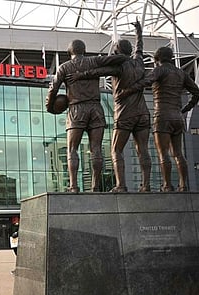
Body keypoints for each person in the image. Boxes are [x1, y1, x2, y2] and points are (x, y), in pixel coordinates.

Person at [66, 21, 151, 192]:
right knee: (143, 149)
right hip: (143, 113)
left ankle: (121, 185)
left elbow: (98, 72)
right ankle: (146, 185)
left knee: (116, 150)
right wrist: (139, 33)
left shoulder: (119, 66)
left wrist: (80, 75)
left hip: (125, 113)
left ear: (118, 52)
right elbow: (139, 48)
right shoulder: (139, 61)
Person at [46, 40, 127, 193]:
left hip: (76, 108)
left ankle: (74, 186)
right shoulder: (94, 61)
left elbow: (53, 88)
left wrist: (50, 107)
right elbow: (120, 59)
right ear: (84, 50)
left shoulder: (64, 67)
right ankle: (95, 186)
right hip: (96, 108)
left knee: (72, 149)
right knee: (96, 149)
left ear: (70, 52)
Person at [119, 46, 199, 191]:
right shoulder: (181, 73)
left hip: (162, 116)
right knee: (178, 153)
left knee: (163, 153)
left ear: (157, 60)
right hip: (177, 116)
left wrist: (127, 91)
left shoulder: (159, 70)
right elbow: (197, 92)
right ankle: (183, 185)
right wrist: (186, 108)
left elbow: (145, 82)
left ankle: (167, 185)